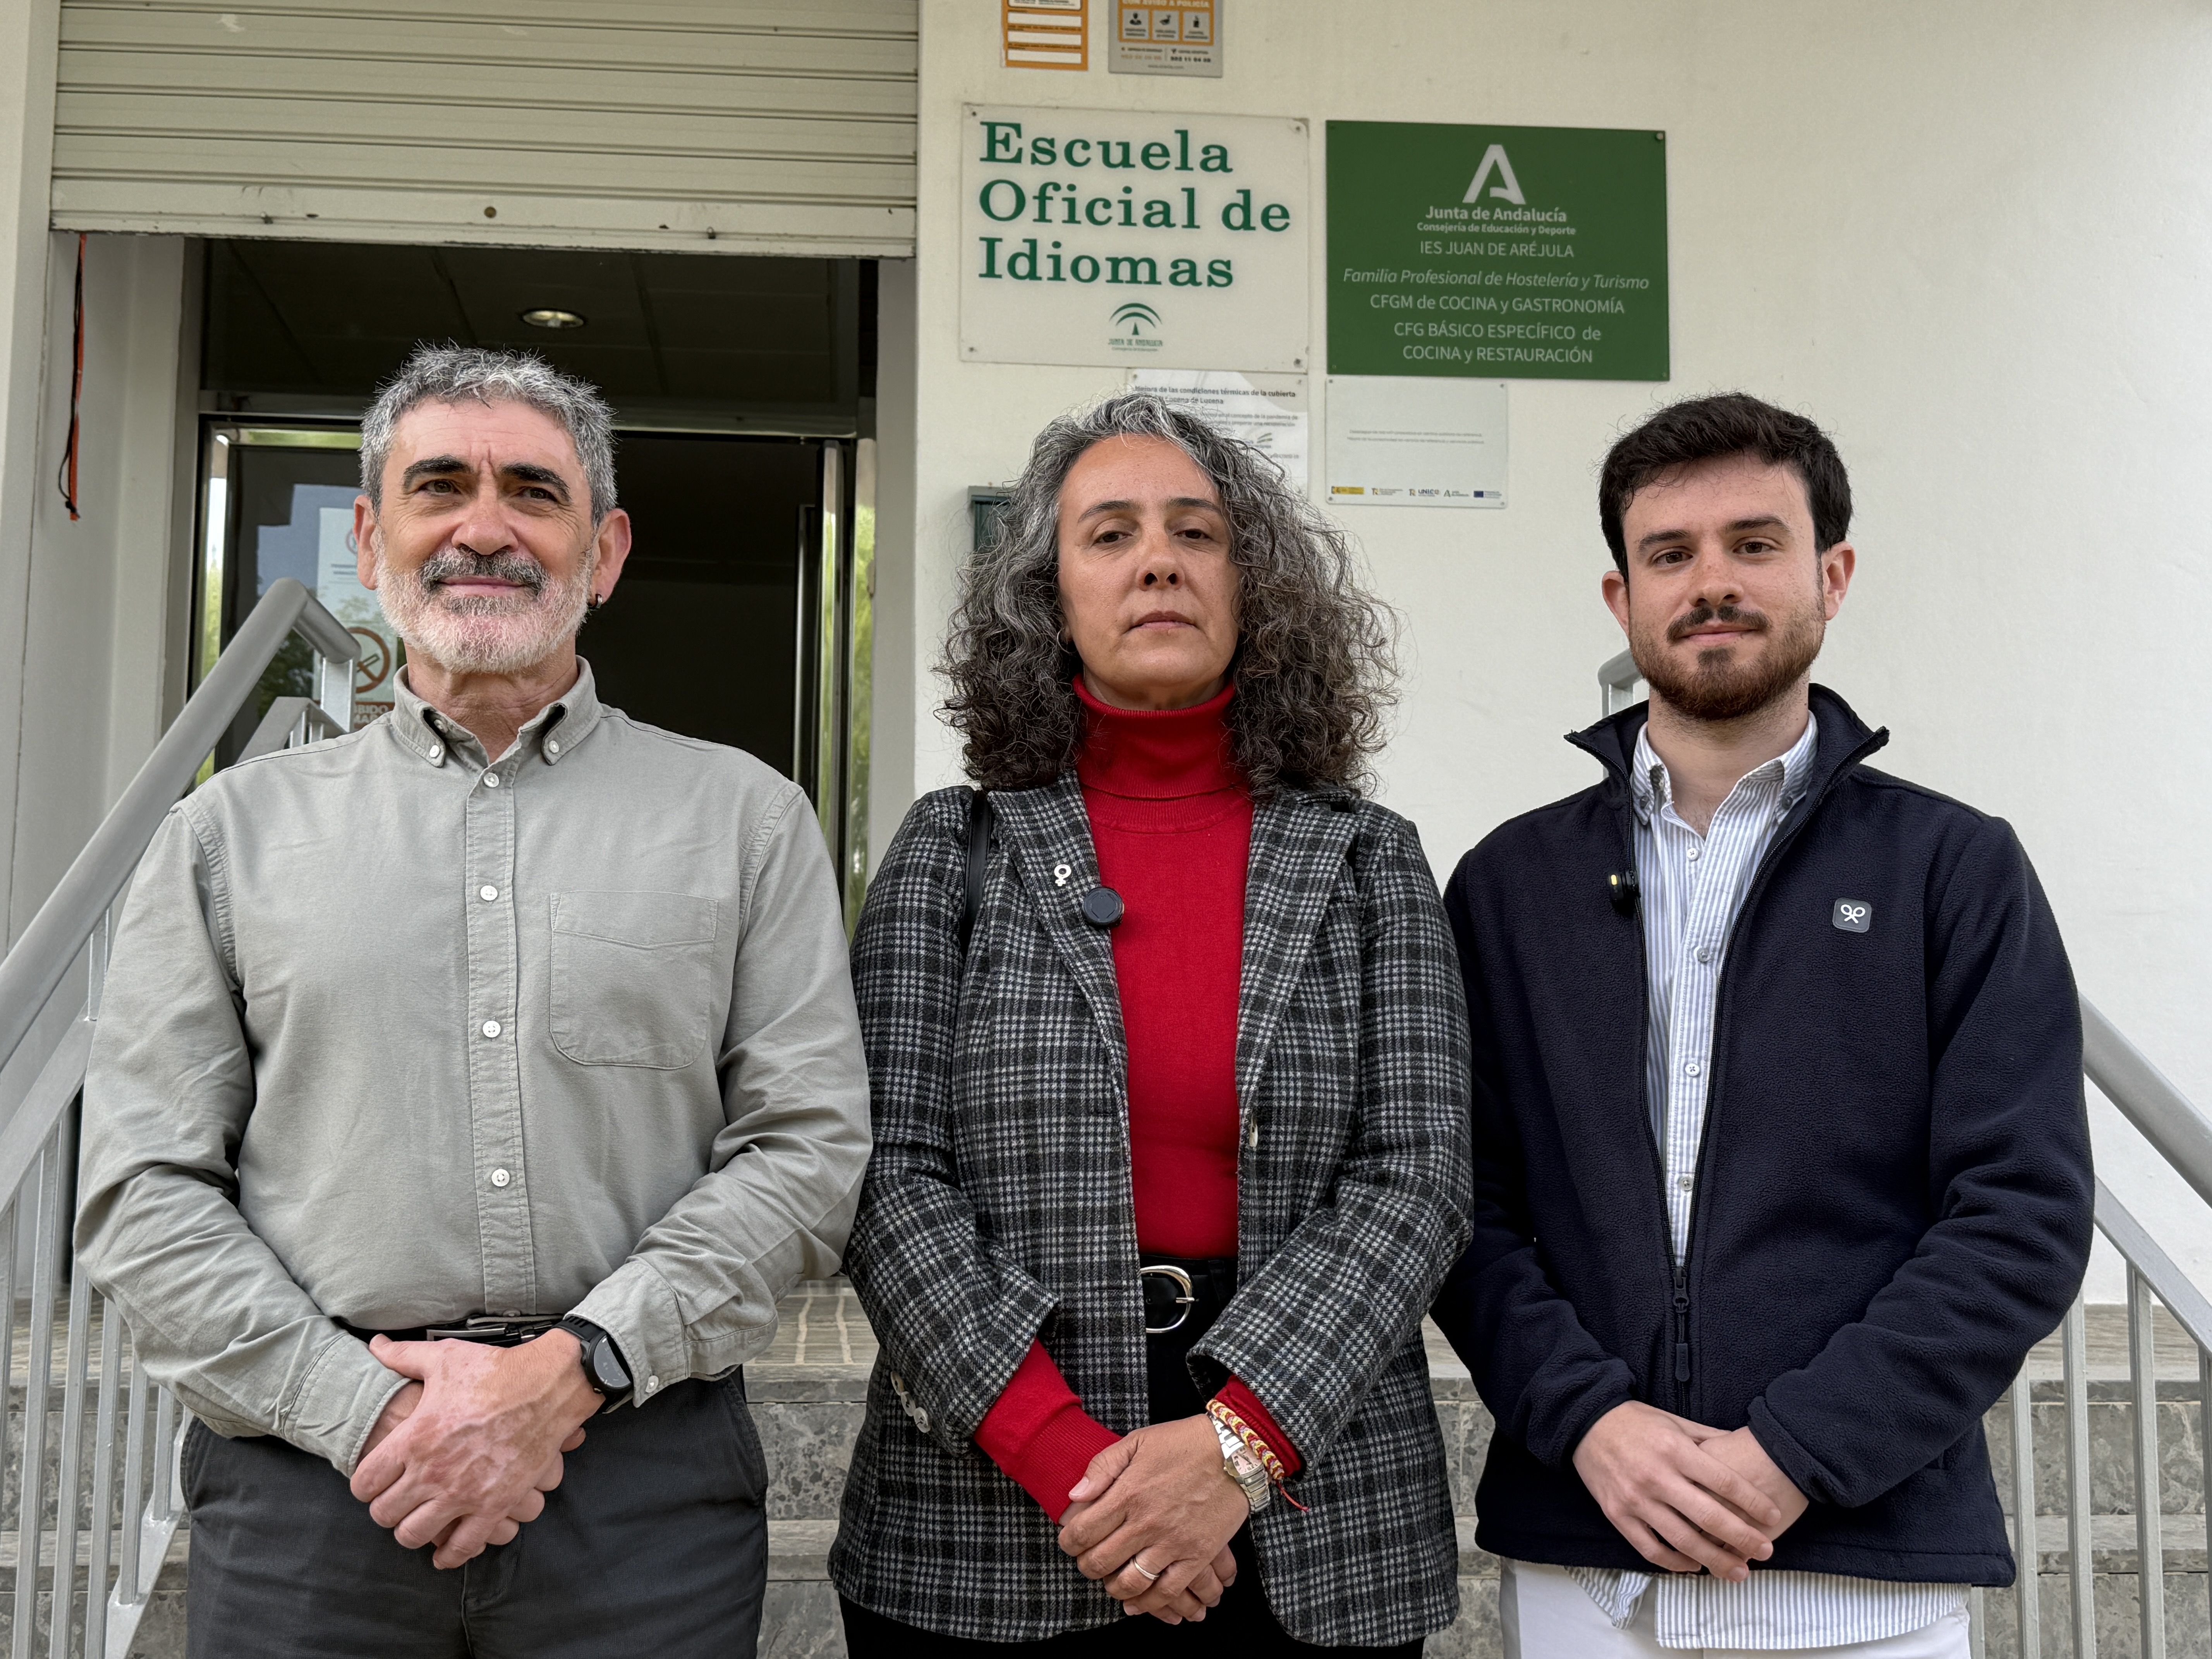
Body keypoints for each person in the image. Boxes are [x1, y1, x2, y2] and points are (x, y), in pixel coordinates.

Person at [76, 345, 872, 1659]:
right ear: (372, 537)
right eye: (440, 485)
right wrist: (370, 1410)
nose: (484, 526)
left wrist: (570, 1371)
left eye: (533, 492)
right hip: (310, 1488)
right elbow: (141, 1184)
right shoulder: (229, 834)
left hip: (639, 1481)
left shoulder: (745, 821)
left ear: (604, 550)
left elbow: (807, 1147)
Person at [1432, 392, 2093, 1659]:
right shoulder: (1508, 886)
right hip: (1588, 1558)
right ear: (1621, 599)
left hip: (1865, 1573)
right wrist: (1591, 1424)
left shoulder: (1954, 868)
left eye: (1755, 543)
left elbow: (2022, 1214)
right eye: (1670, 554)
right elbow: (1465, 1204)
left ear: (1832, 576)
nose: (1711, 582)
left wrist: (1799, 1449)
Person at [829, 394, 1472, 1654]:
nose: (1159, 559)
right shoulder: (949, 852)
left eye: (1198, 532)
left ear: (1256, 586)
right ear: (1047, 595)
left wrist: (1236, 1445)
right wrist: (1077, 1466)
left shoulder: (1366, 859)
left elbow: (1421, 1178)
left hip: (1313, 1508)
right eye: (1109, 533)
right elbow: (884, 1177)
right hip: (992, 1507)